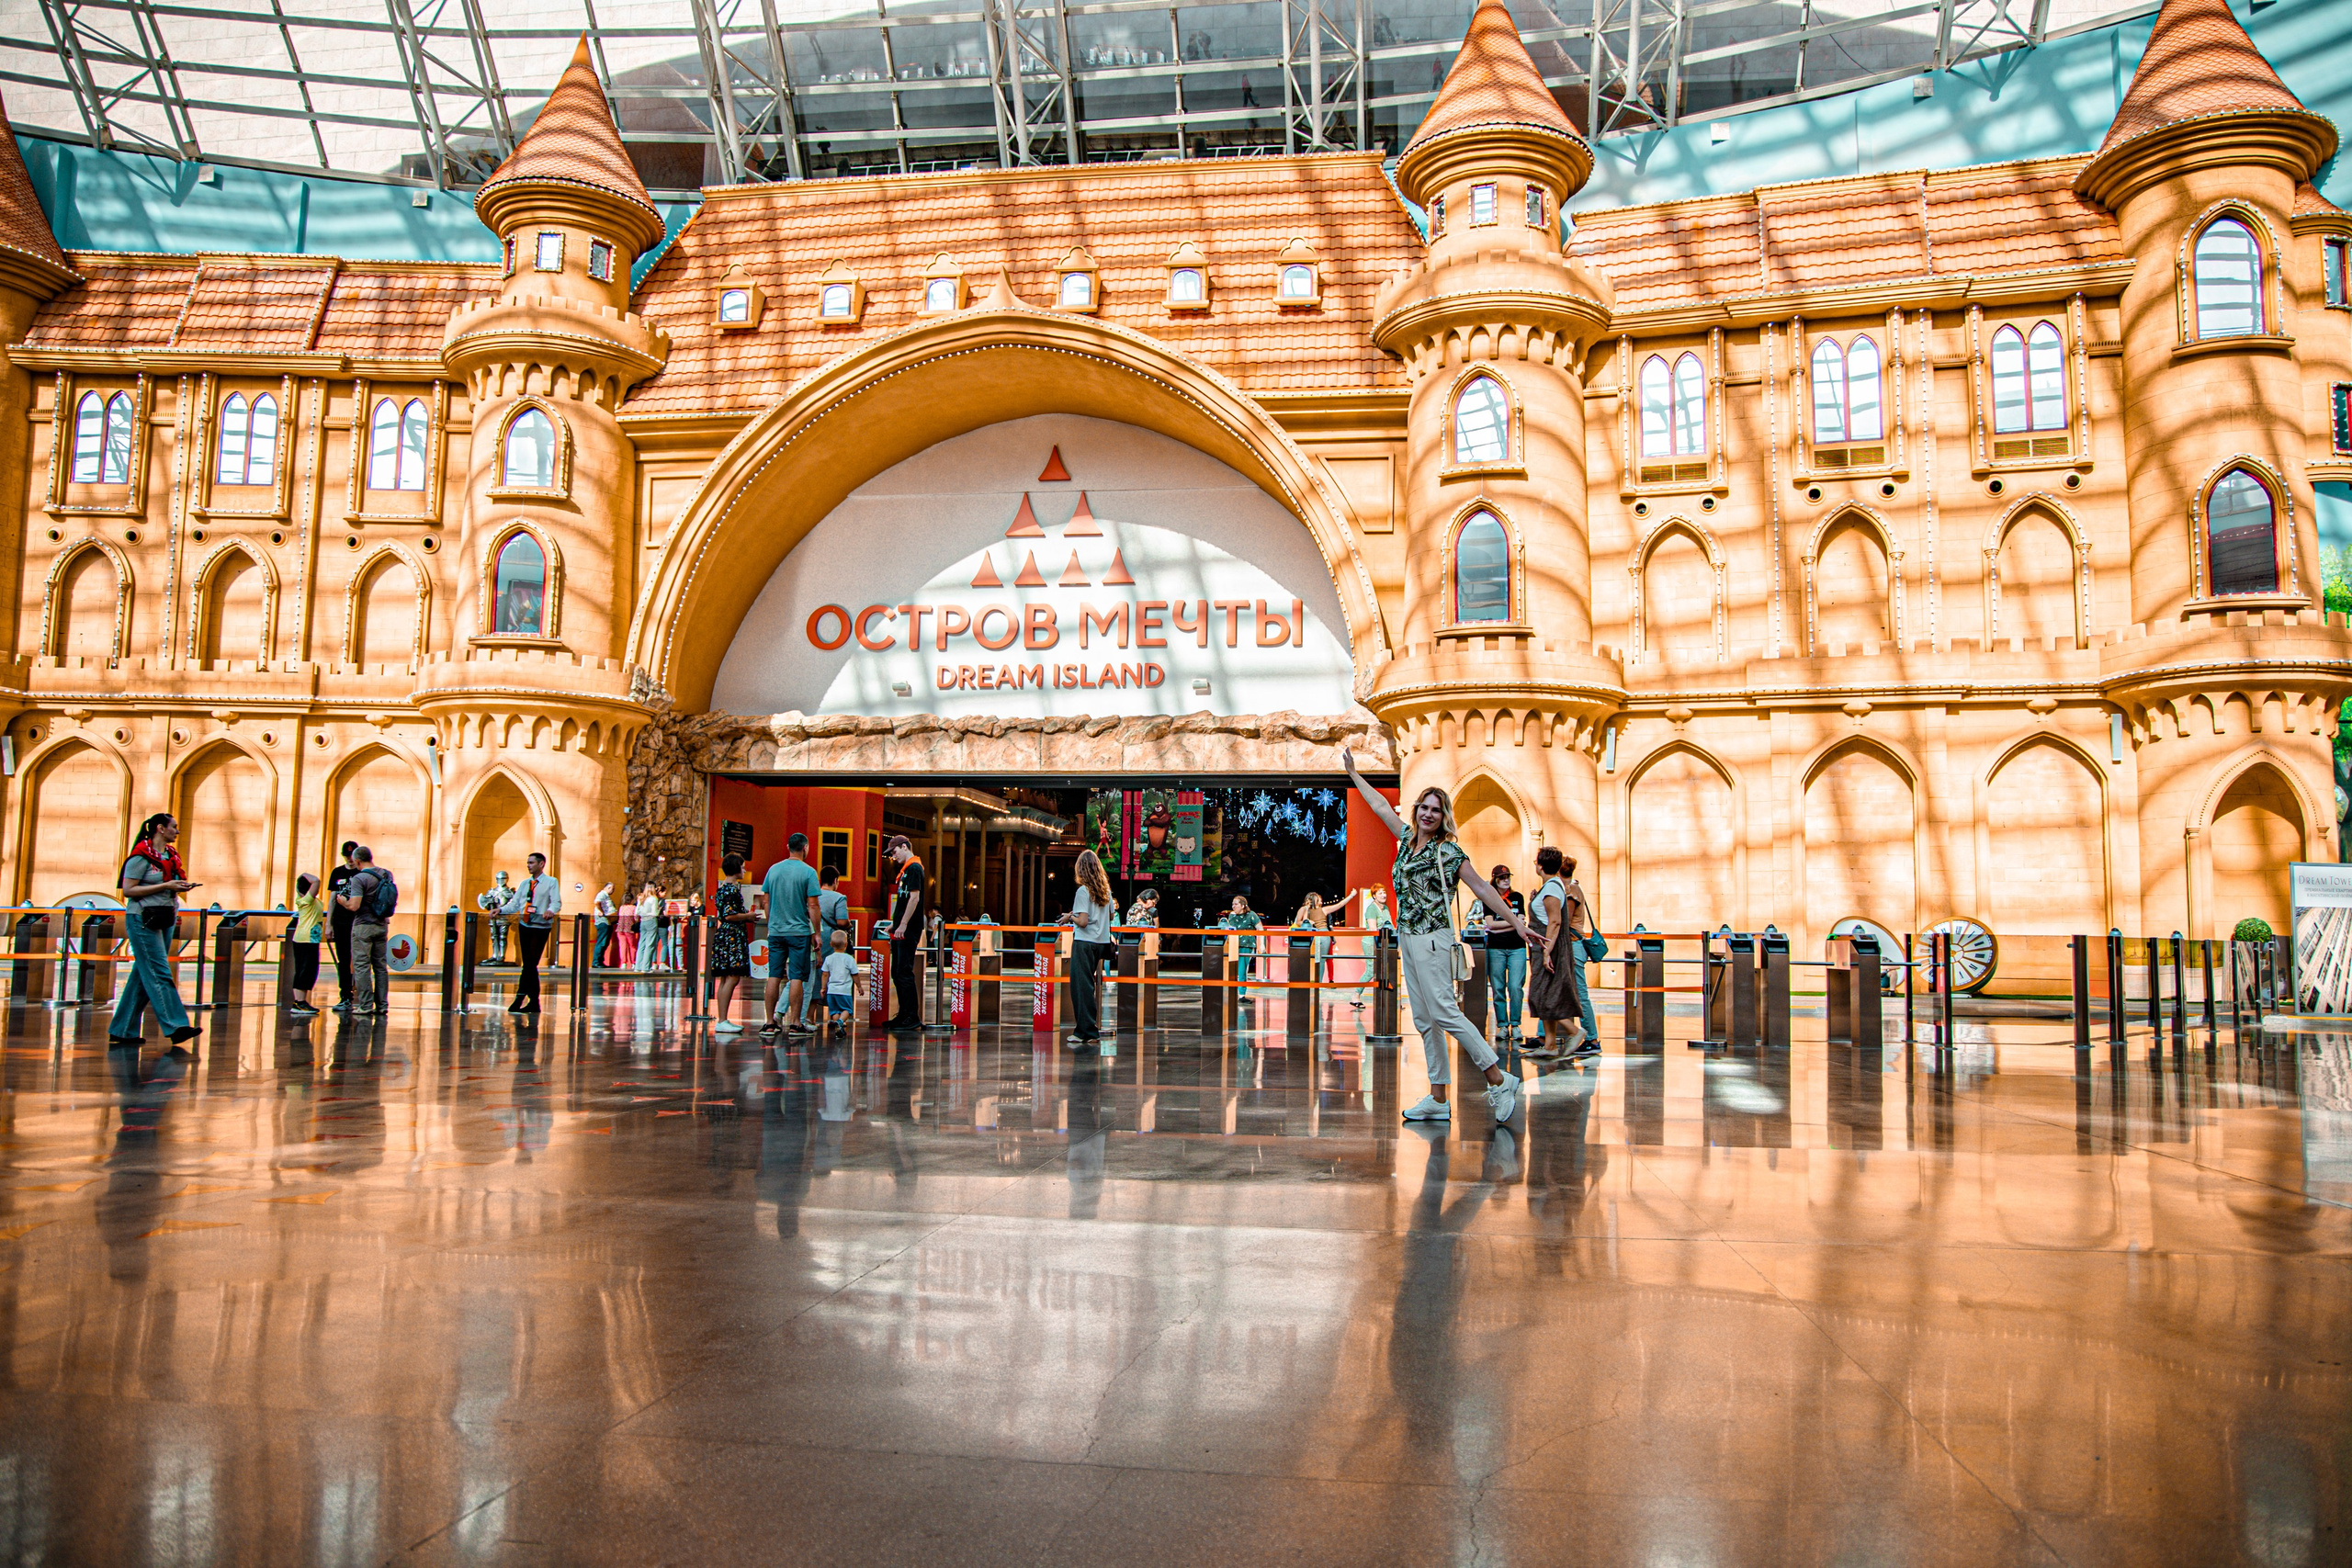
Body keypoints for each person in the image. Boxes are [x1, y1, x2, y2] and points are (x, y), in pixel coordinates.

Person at [1342, 750, 1531, 1125]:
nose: (1429, 814)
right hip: (1408, 938)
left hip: (1434, 938)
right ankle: (1439, 1097)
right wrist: (1354, 774)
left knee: (1445, 1011)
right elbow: (1380, 806)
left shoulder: (1447, 850)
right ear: (1416, 811)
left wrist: (1517, 923)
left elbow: (1481, 887)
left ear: (1445, 816)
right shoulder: (1408, 838)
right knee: (1426, 1019)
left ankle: (1498, 1078)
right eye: (1425, 807)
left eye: (1436, 809)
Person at [109, 812, 202, 1047]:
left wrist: (177, 887)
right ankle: (176, 1026)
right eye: (174, 827)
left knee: (143, 974)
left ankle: (122, 1030)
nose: (177, 831)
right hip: (143, 918)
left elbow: (165, 885)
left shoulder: (170, 856)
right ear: (160, 828)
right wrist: (165, 885)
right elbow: (128, 890)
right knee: (160, 972)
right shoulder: (140, 857)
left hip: (165, 915)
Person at [1526, 847, 1602, 1058]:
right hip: (1548, 945)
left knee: (1542, 995)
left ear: (1540, 865)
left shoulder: (1552, 888)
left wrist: (1547, 951)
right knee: (1548, 993)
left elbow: (1556, 920)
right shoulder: (1554, 887)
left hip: (1549, 946)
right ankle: (1550, 1044)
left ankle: (1576, 1031)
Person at [761, 834, 820, 1035]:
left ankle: (769, 1022)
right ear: (805, 847)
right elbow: (813, 905)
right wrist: (817, 932)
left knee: (774, 976)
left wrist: (773, 922)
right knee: (797, 977)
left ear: (788, 847)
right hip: (799, 933)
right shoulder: (809, 872)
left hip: (776, 932)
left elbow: (766, 901)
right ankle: (795, 1023)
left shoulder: (773, 869)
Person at [1058, 849, 1117, 1048]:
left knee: (1081, 988)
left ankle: (1085, 1032)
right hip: (1101, 943)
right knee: (1088, 986)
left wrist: (1069, 917)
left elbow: (1082, 921)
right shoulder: (1105, 890)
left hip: (1084, 943)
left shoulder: (1083, 891)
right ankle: (1088, 1029)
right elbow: (1110, 916)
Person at [334, 845, 394, 1016]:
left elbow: (354, 906)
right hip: (382, 925)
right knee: (380, 967)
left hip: (363, 927)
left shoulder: (359, 878)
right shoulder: (386, 874)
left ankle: (366, 1005)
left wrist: (342, 902)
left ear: (358, 861)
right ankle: (382, 1005)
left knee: (361, 966)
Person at [503, 851, 560, 1014]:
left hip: (540, 927)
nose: (528, 865)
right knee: (529, 964)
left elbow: (556, 902)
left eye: (531, 863)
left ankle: (521, 997)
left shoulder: (551, 882)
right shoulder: (524, 884)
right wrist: (500, 909)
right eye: (528, 863)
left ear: (541, 864)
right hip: (525, 925)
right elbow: (515, 905)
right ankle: (533, 1002)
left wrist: (550, 910)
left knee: (530, 963)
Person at [707, 852, 754, 1032]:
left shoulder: (722, 888)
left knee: (725, 977)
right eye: (742, 866)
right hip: (732, 936)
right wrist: (748, 916)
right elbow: (729, 915)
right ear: (736, 868)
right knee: (733, 976)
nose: (744, 869)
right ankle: (723, 1020)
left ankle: (722, 1018)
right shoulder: (731, 890)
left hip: (726, 935)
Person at [885, 837, 927, 1034]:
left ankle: (911, 1015)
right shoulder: (906, 871)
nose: (894, 857)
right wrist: (895, 923)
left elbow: (915, 897)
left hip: (909, 929)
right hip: (902, 927)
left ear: (904, 847)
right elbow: (904, 900)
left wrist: (902, 924)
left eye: (894, 852)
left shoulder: (914, 869)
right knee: (897, 972)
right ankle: (904, 1013)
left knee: (904, 971)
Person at [1484, 864, 1529, 1047]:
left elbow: (1523, 921)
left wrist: (1512, 924)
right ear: (1495, 879)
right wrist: (1514, 923)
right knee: (1498, 987)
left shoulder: (1518, 897)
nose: (1506, 880)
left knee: (1516, 986)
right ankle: (1502, 1024)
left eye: (1507, 877)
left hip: (1517, 947)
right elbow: (1490, 924)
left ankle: (1516, 1024)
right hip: (1496, 948)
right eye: (1502, 878)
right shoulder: (1489, 899)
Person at [801, 866, 851, 1026]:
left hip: (810, 937)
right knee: (832, 975)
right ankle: (835, 1015)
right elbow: (842, 922)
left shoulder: (813, 895)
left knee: (813, 975)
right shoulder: (839, 897)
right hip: (830, 940)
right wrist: (848, 925)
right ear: (836, 881)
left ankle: (809, 1015)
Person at [287, 871, 327, 1017]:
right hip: (306, 939)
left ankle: (300, 1001)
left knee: (307, 970)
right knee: (305, 970)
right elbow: (317, 881)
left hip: (309, 939)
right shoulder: (305, 900)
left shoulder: (308, 900)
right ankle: (299, 1002)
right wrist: (303, 874)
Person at [326, 840, 359, 1012]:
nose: (350, 859)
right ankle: (345, 995)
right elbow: (332, 900)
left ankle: (362, 994)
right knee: (344, 960)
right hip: (341, 922)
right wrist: (328, 924)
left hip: (358, 921)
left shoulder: (362, 873)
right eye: (347, 855)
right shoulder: (337, 872)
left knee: (360, 959)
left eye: (353, 855)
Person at [1219, 895, 1263, 1000]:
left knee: (1242, 969)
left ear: (1243, 905)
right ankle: (1232, 991)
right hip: (1233, 945)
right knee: (1232, 969)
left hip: (1246, 945)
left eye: (1236, 904)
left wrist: (1261, 944)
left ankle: (1242, 994)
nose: (1233, 906)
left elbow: (1260, 929)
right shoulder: (1231, 916)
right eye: (1232, 904)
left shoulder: (1251, 915)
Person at [819, 929, 858, 1037]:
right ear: (846, 944)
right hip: (844, 991)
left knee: (835, 1011)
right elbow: (855, 974)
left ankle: (838, 1026)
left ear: (831, 944)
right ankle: (840, 1022)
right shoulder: (849, 959)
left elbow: (825, 974)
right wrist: (859, 986)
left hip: (831, 990)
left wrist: (823, 988)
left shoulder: (828, 958)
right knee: (847, 1010)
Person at [476, 870, 513, 964]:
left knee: (503, 937)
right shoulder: (492, 892)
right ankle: (495, 955)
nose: (501, 881)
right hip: (493, 918)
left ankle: (501, 956)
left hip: (504, 918)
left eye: (503, 879)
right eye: (499, 879)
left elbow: (513, 905)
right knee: (494, 937)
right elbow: (486, 905)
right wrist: (490, 902)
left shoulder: (510, 892)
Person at [633, 885, 662, 972]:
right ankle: (646, 967)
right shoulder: (654, 899)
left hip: (643, 921)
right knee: (650, 944)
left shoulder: (642, 898)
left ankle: (638, 966)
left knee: (641, 943)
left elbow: (637, 911)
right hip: (651, 920)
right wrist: (659, 909)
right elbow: (654, 913)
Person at [593, 884, 616, 966]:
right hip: (603, 921)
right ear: (608, 888)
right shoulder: (602, 894)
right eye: (612, 889)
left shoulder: (606, 896)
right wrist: (601, 911)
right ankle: (596, 962)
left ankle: (600, 961)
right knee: (602, 941)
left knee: (605, 942)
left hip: (608, 921)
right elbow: (596, 902)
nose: (613, 891)